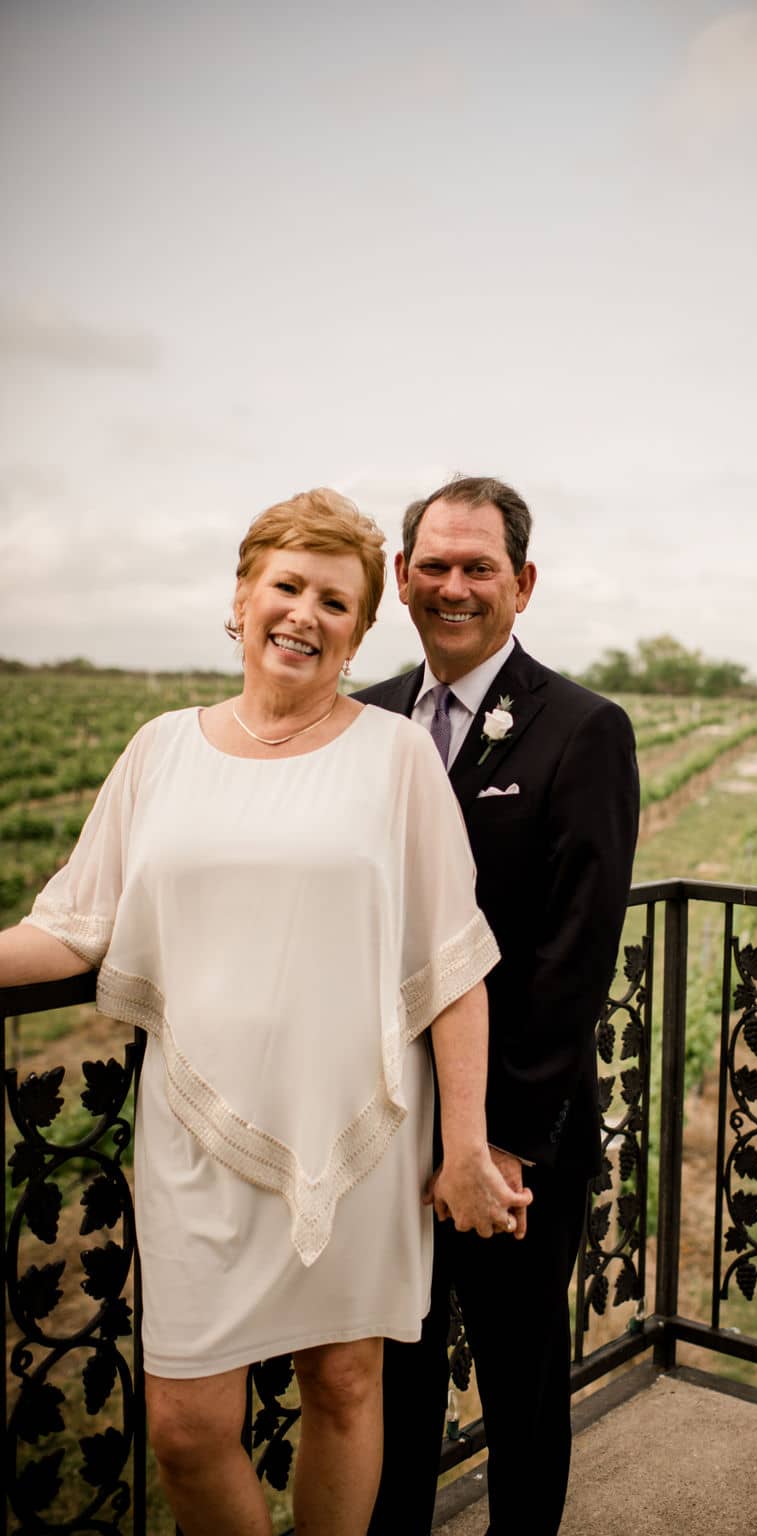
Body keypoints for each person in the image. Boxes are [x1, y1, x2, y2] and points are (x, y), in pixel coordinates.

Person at [0, 487, 529, 1536]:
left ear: (359, 631)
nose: (304, 612)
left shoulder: (394, 757)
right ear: (239, 602)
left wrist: (464, 1143)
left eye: (335, 600)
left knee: (344, 1387)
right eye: (286, 586)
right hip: (196, 1135)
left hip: (361, 1128)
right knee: (189, 1429)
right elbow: (74, 924)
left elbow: (451, 962)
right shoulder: (161, 749)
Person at [357, 475, 639, 1535]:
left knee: (518, 1384)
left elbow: (575, 954)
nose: (454, 586)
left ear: (522, 584)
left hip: (516, 1132)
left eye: (479, 567)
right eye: (433, 565)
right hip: (377, 1125)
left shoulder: (582, 728)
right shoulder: (365, 716)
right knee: (393, 1381)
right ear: (400, 578)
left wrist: (504, 1142)